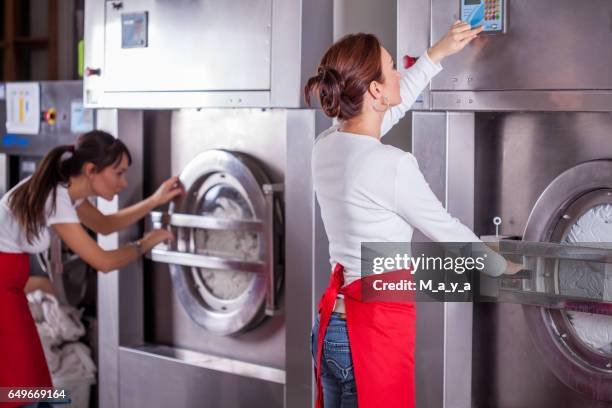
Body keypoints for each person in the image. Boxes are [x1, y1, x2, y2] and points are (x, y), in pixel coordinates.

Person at [305, 22, 522, 408]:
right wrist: (503, 266)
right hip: (367, 333)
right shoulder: (391, 164)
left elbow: (383, 115)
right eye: (392, 68)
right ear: (374, 90)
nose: (397, 75)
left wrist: (435, 55)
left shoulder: (326, 146)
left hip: (331, 329)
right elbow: (445, 229)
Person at [0, 130, 182, 407]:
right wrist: (146, 243)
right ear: (91, 170)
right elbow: (104, 262)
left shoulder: (66, 191)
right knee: (21, 388)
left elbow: (105, 225)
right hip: (4, 289)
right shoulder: (57, 199)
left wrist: (155, 201)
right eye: (118, 173)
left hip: (10, 286)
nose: (124, 182)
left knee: (29, 385)